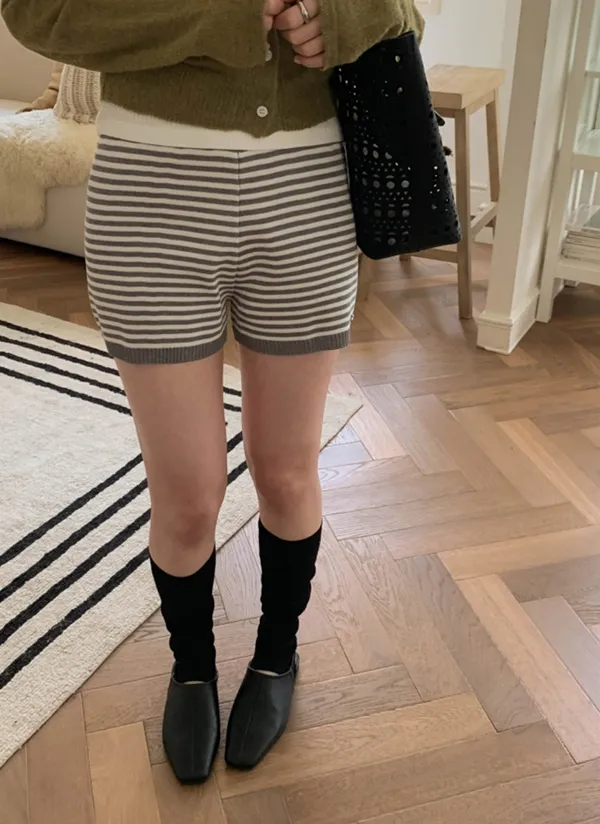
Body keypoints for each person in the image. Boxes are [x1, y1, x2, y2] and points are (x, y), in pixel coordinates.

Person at [2, 0, 424, 784]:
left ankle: (276, 656)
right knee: (189, 496)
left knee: (288, 472)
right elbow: (37, 12)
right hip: (150, 200)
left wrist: (341, 16)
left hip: (309, 195)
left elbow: (403, 12)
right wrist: (225, 17)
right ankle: (190, 667)